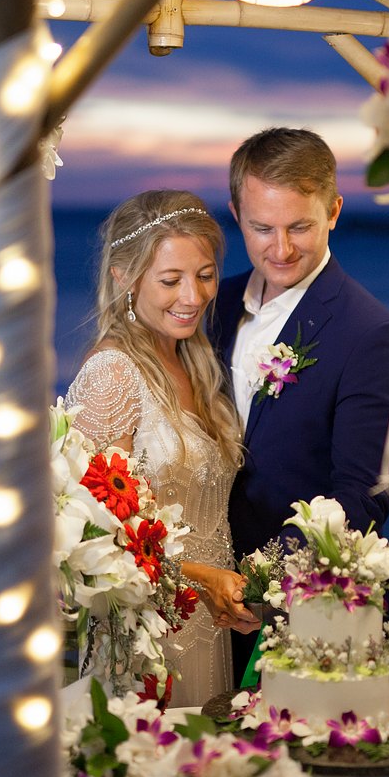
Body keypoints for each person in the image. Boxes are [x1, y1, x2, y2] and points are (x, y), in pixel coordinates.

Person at [211, 127, 389, 682]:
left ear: (334, 211)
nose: (281, 248)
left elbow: (364, 495)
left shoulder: (373, 336)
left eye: (300, 225)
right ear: (235, 212)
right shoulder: (212, 306)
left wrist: (259, 581)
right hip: (204, 605)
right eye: (261, 228)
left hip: (314, 615)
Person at [67, 189, 256, 707]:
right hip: (143, 632)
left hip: (208, 621)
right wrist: (205, 580)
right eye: (170, 280)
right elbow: (97, 543)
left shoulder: (194, 357)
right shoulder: (111, 376)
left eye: (205, 274)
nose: (193, 297)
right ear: (123, 277)